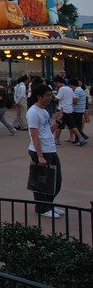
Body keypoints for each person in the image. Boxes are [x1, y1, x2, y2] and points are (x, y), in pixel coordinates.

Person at [26, 84, 64, 218]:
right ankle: (42, 207)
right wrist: (40, 155)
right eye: (48, 95)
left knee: (56, 181)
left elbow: (48, 130)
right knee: (43, 182)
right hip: (41, 151)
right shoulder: (33, 112)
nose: (50, 98)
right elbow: (34, 135)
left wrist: (58, 122)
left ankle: (48, 205)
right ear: (39, 96)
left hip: (50, 149)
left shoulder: (44, 111)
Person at [53, 76, 85, 146]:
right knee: (73, 125)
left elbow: (57, 98)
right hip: (69, 109)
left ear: (58, 83)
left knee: (59, 125)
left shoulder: (62, 89)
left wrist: (53, 94)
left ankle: (56, 139)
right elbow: (74, 97)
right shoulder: (69, 89)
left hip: (62, 109)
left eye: (56, 84)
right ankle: (81, 138)